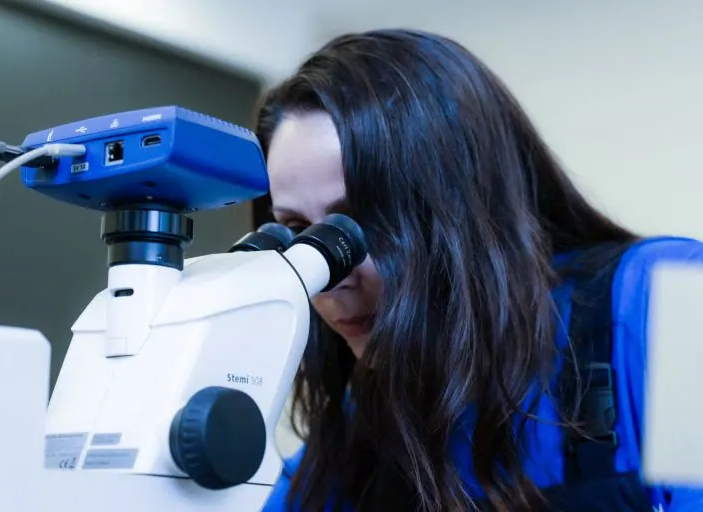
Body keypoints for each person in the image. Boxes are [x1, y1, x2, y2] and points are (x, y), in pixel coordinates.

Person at [253, 29, 703, 511]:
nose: (330, 276)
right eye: (298, 230)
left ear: (467, 206)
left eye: (364, 221)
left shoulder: (665, 296)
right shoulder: (360, 429)